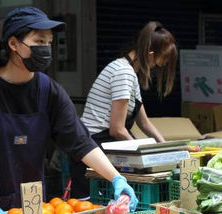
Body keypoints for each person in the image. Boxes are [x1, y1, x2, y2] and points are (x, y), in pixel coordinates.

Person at [0, 7, 138, 214]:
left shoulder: (48, 89)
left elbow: (80, 141)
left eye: (49, 42)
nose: (46, 48)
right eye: (39, 40)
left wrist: (116, 178)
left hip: (34, 207)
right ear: (14, 44)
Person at [71, 21, 178, 197]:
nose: (161, 67)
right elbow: (117, 129)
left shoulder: (128, 72)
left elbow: (143, 122)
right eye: (162, 62)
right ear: (151, 55)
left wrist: (166, 148)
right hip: (94, 146)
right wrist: (141, 153)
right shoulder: (123, 73)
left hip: (104, 143)